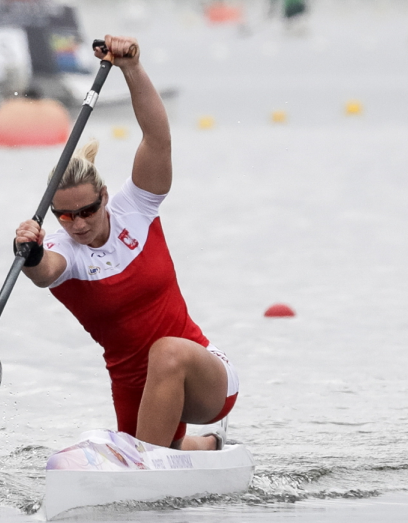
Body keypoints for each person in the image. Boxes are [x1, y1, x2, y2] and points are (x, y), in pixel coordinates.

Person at [13, 35, 239, 451]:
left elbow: (158, 140)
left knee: (167, 351)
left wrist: (131, 69)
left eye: (87, 211)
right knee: (134, 452)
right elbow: (45, 274)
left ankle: (150, 466)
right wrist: (28, 253)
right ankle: (208, 448)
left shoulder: (135, 206)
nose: (78, 224)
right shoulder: (65, 251)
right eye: (65, 215)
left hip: (201, 375)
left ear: (103, 197)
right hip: (134, 387)